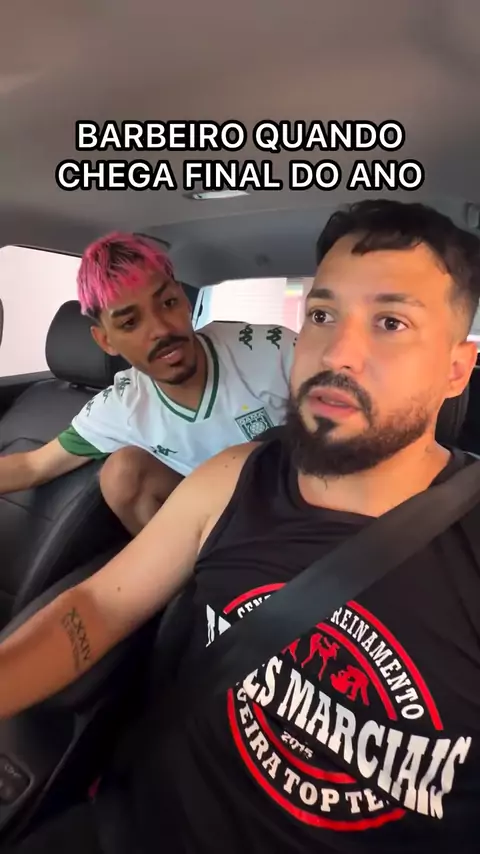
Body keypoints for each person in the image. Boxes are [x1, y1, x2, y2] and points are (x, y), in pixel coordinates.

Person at [2, 198, 480, 853]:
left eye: (391, 321)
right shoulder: (228, 476)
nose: (338, 351)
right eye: (322, 314)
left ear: (457, 369)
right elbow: (95, 606)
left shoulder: (257, 353)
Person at [0, 233, 296, 534]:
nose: (161, 329)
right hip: (215, 528)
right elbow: (33, 466)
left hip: (296, 510)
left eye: (168, 303)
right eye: (130, 322)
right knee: (122, 473)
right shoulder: (122, 405)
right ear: (106, 341)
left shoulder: (273, 350)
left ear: (185, 300)